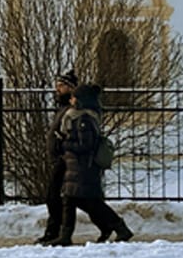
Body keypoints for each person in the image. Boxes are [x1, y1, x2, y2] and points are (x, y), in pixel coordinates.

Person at [51, 82, 134, 246]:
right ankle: (66, 235)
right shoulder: (76, 116)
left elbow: (86, 145)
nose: (71, 100)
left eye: (74, 97)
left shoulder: (84, 119)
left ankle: (119, 227)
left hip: (83, 167)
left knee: (89, 202)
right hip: (75, 166)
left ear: (82, 100)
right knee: (71, 200)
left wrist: (65, 143)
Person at [36, 71, 78, 245]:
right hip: (59, 159)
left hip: (64, 160)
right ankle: (54, 232)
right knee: (60, 198)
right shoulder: (63, 108)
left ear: (71, 88)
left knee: (54, 197)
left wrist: (62, 150)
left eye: (61, 86)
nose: (57, 89)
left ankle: (57, 233)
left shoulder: (72, 110)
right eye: (57, 86)